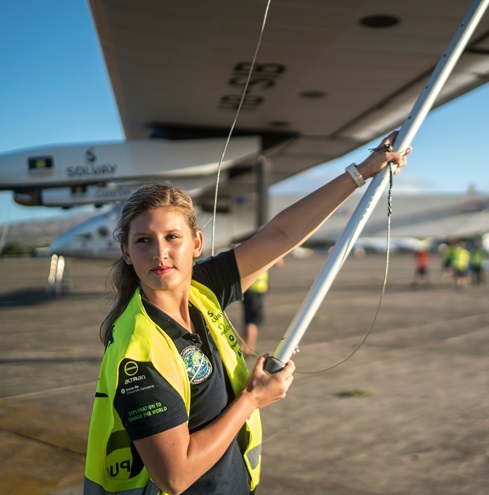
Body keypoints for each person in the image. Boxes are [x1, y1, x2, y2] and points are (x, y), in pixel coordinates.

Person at [84, 133, 409, 495]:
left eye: (172, 237)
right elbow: (174, 477)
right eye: (143, 240)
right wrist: (252, 399)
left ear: (196, 244)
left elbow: (281, 233)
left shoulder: (202, 287)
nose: (159, 252)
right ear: (126, 252)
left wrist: (361, 171)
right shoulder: (138, 351)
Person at [240, 270, 269, 356]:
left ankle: (243, 346)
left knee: (247, 320)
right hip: (256, 290)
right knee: (253, 321)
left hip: (248, 289)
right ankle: (249, 348)